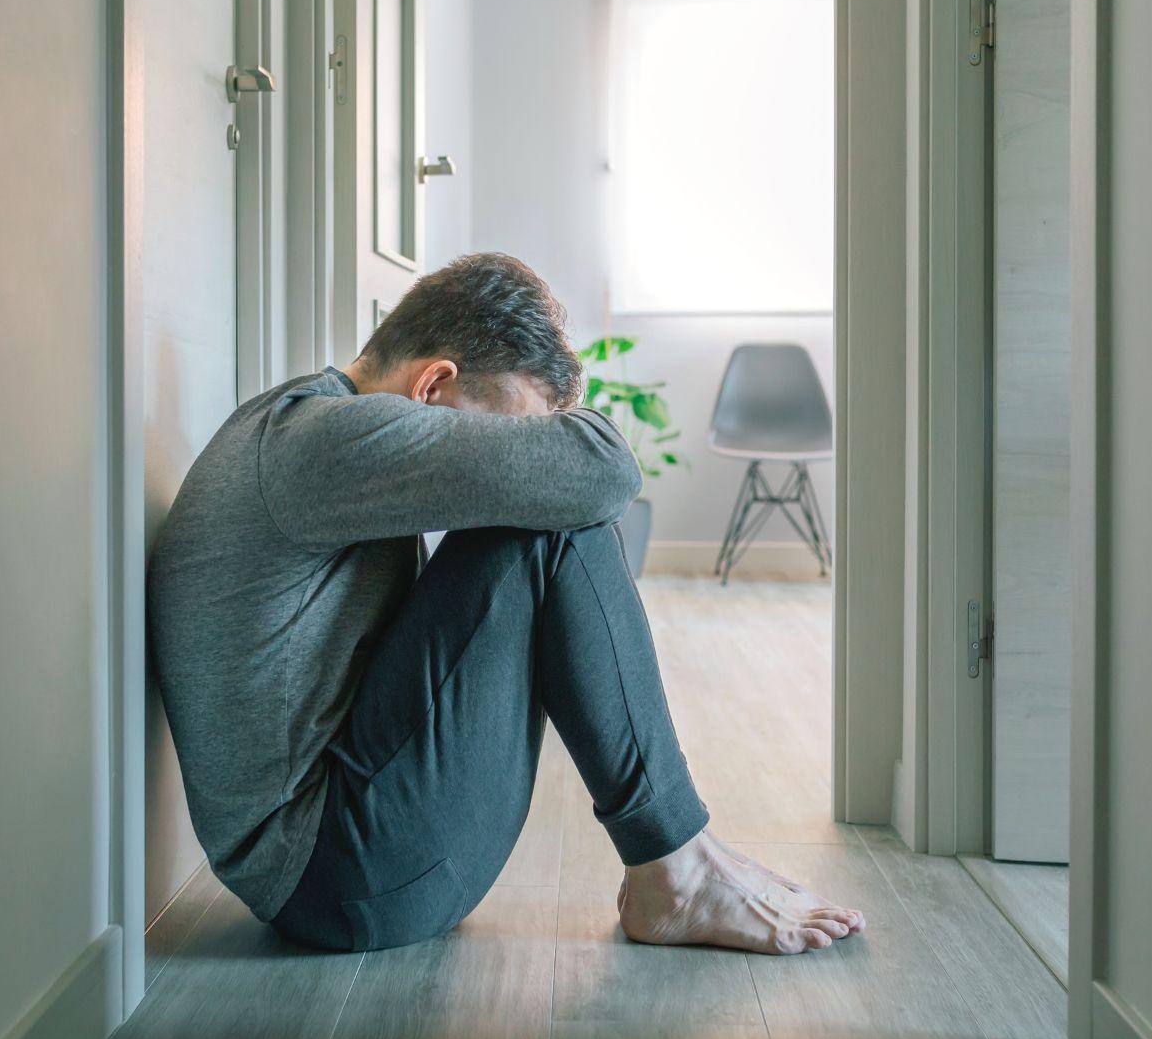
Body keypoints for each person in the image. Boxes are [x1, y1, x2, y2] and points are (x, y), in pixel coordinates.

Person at [147, 252, 863, 954]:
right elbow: (604, 468)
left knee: (545, 504)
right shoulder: (326, 440)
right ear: (433, 387)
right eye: (508, 430)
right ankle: (675, 865)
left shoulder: (306, 424)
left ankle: (683, 852)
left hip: (342, 862)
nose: (505, 453)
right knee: (547, 522)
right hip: (337, 878)